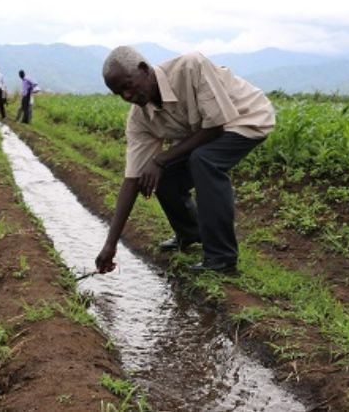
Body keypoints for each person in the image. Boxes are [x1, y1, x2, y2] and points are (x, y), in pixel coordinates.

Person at [94, 46, 275, 274]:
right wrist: (110, 245)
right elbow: (132, 179)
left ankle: (222, 259)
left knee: (204, 160)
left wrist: (160, 159)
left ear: (144, 69)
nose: (127, 96)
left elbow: (216, 128)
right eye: (119, 93)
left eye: (128, 85)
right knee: (161, 176)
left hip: (246, 118)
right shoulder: (140, 118)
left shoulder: (190, 67)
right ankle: (190, 233)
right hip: (205, 132)